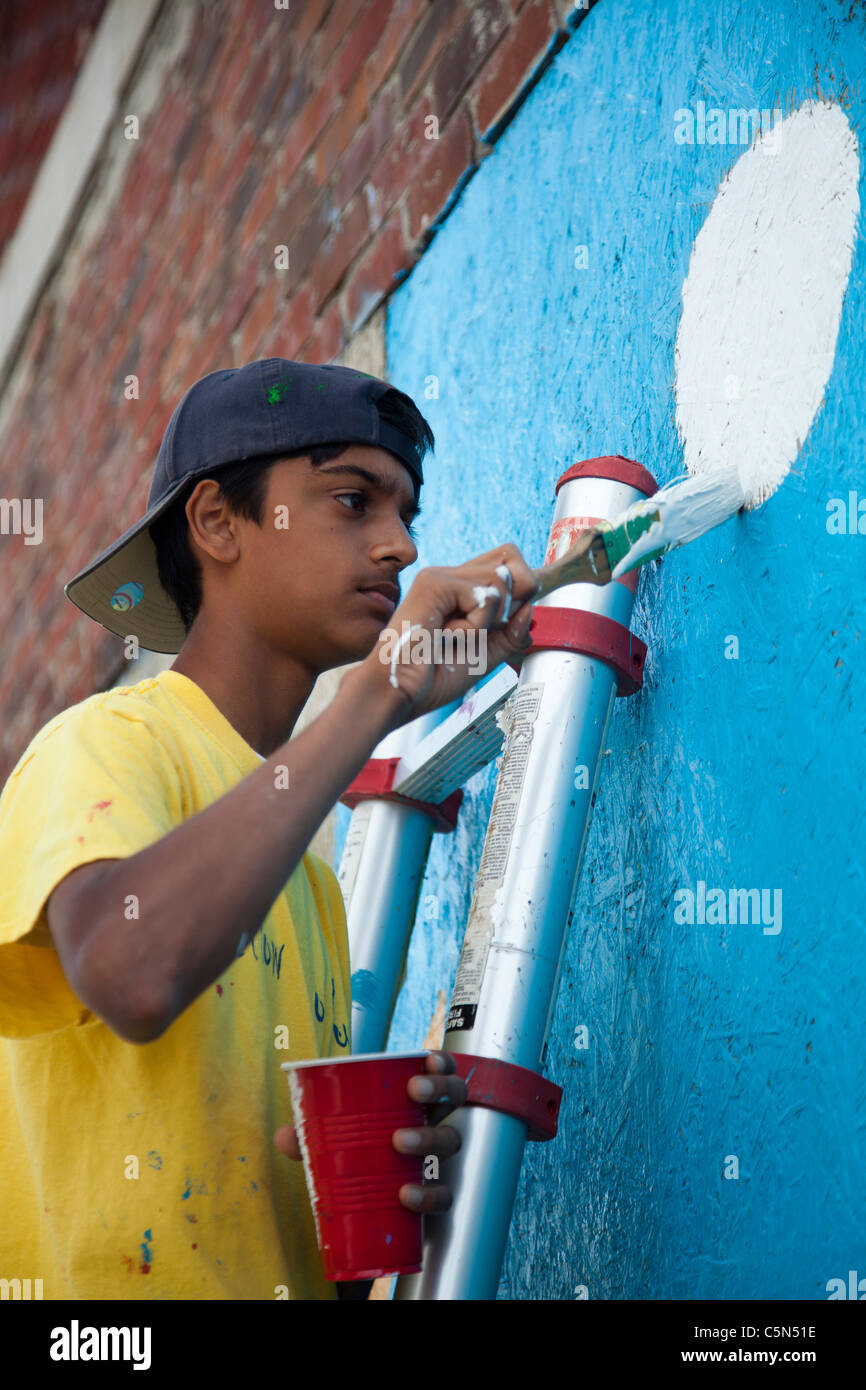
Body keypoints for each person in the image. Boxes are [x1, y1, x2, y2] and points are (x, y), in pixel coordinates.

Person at [0, 358, 537, 1300]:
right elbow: (132, 972)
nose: (401, 546)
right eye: (353, 500)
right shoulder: (107, 742)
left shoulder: (312, 883)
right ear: (217, 522)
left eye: (406, 513)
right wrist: (379, 694)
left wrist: (385, 1182)